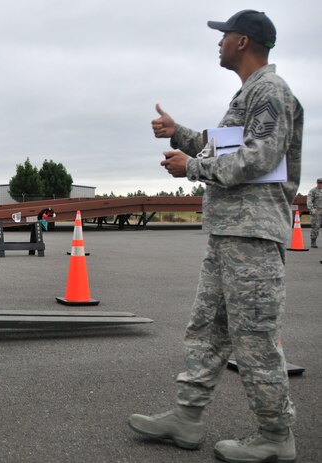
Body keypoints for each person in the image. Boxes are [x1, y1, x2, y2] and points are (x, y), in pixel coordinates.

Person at [129, 10, 302, 463]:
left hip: (253, 234)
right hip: (230, 232)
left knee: (255, 337)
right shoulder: (250, 93)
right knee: (208, 328)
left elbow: (258, 157)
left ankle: (275, 434)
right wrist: (180, 135)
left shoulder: (270, 92)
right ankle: (187, 417)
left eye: (223, 36)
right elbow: (223, 144)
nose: (219, 42)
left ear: (242, 41)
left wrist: (193, 168)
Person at [306, 178, 322, 248]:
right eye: (319, 183)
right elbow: (309, 200)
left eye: (321, 183)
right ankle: (313, 241)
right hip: (316, 211)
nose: (320, 184)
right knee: (315, 227)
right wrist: (312, 209)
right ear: (317, 183)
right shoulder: (313, 191)